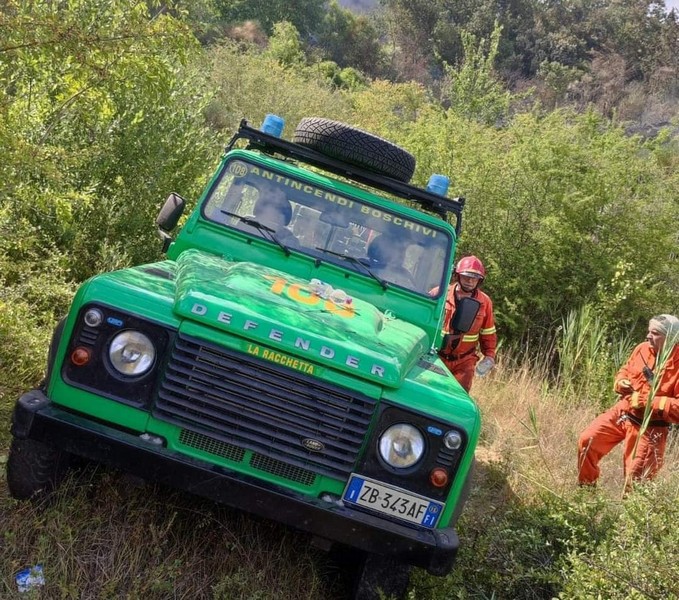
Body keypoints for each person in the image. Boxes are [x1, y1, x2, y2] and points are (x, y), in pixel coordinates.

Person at [577, 314, 679, 488]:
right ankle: (586, 494)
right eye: (649, 331)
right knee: (587, 441)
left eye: (655, 333)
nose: (648, 336)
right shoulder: (642, 349)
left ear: (670, 338)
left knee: (636, 481)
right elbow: (625, 369)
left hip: (650, 428)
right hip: (623, 412)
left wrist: (647, 402)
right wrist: (621, 382)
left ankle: (630, 507)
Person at [437, 255, 497, 392]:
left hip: (464, 361)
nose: (470, 281)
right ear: (458, 275)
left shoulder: (485, 302)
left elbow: (488, 332)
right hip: (437, 356)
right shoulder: (440, 294)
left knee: (458, 397)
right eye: (466, 277)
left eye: (474, 278)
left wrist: (489, 356)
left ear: (480, 280)